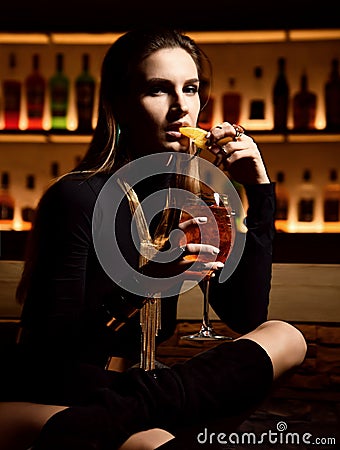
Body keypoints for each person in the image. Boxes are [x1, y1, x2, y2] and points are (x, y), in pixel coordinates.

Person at [1, 28, 307, 450]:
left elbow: (246, 314)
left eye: (191, 88)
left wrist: (260, 191)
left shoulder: (190, 201)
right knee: (153, 444)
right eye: (158, 90)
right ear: (121, 105)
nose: (181, 107)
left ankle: (134, 415)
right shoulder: (76, 197)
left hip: (137, 396)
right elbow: (54, 356)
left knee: (287, 337)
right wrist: (147, 279)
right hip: (63, 393)